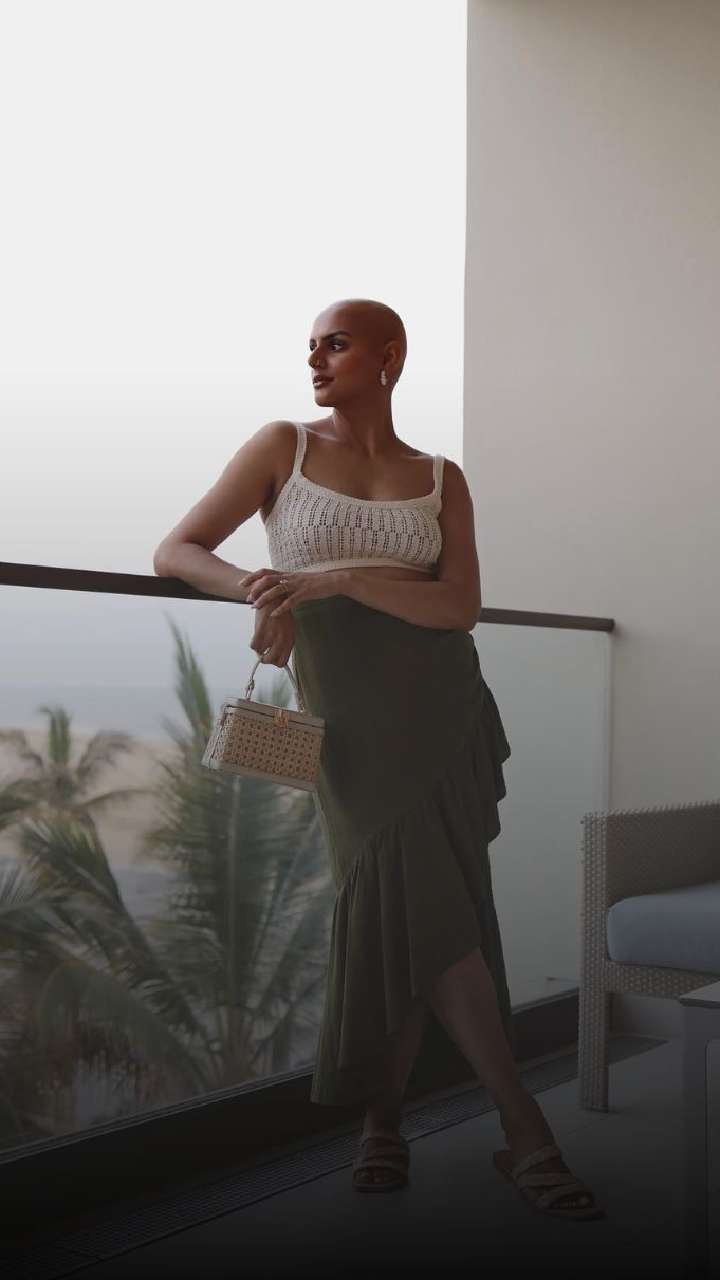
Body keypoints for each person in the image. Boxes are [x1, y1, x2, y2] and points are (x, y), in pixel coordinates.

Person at [153, 297, 601, 1219]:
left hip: (442, 707)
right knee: (415, 905)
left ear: (389, 356)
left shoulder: (441, 477)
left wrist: (341, 579)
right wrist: (259, 587)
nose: (316, 360)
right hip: (349, 718)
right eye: (312, 347)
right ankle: (523, 1128)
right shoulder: (282, 446)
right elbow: (177, 550)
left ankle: (384, 1125)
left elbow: (459, 607)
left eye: (337, 343)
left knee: (417, 910)